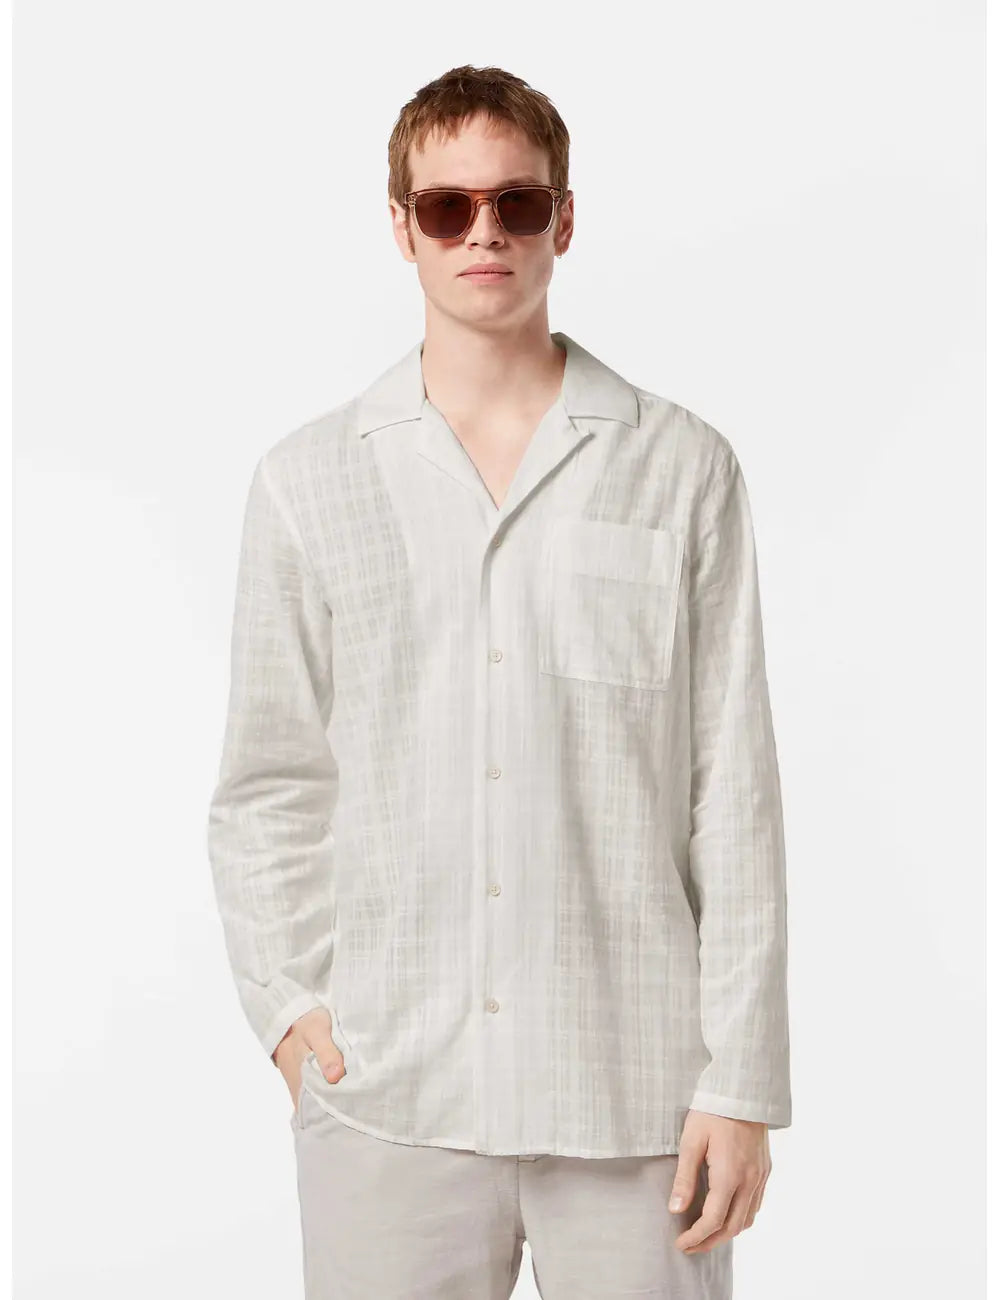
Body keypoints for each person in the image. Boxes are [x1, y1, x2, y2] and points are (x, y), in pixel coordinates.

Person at [207, 62, 791, 1300]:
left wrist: (741, 1080)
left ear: (563, 220)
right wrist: (289, 1010)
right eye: (448, 207)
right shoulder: (308, 481)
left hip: (633, 1093)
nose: (484, 233)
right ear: (402, 226)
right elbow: (268, 779)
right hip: (388, 1093)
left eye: (517, 204)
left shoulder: (680, 468)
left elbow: (730, 790)